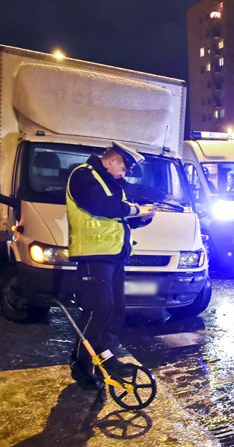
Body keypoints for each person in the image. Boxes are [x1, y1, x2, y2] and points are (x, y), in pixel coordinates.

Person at [66, 141, 155, 390]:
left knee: (115, 310)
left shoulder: (114, 185)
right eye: (124, 168)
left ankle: (106, 358)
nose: (124, 173)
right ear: (113, 159)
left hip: (114, 255)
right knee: (98, 310)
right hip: (93, 255)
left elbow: (119, 217)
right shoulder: (84, 175)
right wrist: (136, 209)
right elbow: (104, 208)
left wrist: (141, 218)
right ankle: (81, 365)